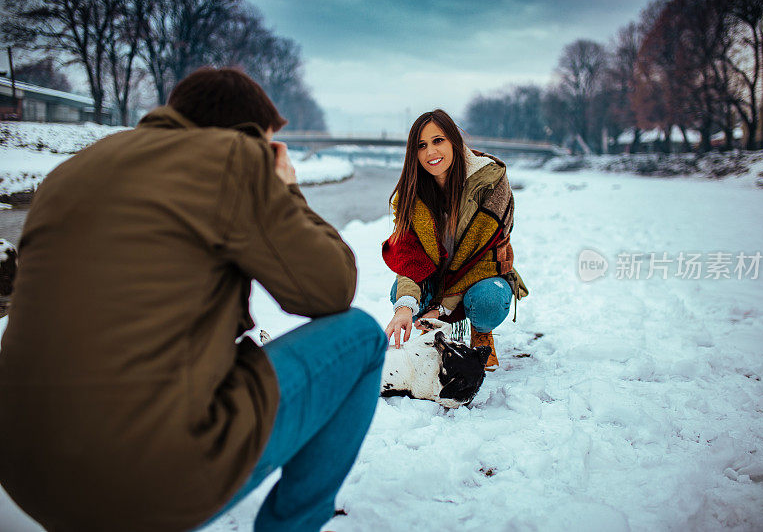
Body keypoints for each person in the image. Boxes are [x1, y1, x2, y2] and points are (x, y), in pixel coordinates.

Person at [0, 67, 387, 532]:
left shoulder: (67, 174)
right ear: (248, 134)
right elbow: (331, 288)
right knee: (362, 337)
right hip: (141, 481)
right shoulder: (232, 158)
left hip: (25, 474)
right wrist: (286, 189)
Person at [382, 109, 528, 370]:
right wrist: (403, 308)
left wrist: (441, 308)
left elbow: (484, 258)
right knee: (399, 293)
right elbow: (409, 256)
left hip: (481, 275)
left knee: (489, 299)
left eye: (438, 141)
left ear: (454, 141)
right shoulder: (411, 194)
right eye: (421, 145)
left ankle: (481, 332)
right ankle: (435, 333)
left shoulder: (491, 181)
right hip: (437, 280)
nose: (430, 153)